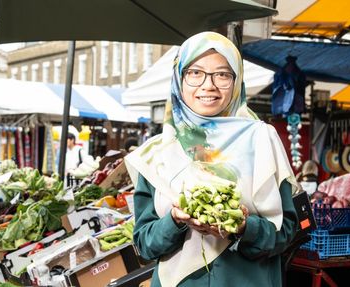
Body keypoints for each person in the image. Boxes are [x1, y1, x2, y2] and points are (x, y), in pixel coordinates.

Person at [125, 31, 299, 287]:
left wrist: (242, 227)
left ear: (237, 81)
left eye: (222, 74)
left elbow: (286, 232)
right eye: (195, 73)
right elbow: (144, 245)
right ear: (179, 78)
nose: (208, 85)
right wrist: (175, 220)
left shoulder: (262, 138)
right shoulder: (157, 153)